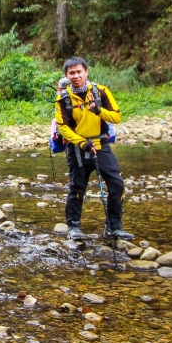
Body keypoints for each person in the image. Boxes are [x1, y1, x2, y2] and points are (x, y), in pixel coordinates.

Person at [53, 57, 132, 242]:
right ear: (66, 76)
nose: (76, 76)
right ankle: (74, 227)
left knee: (117, 184)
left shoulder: (101, 91)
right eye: (71, 73)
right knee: (77, 187)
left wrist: (99, 111)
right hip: (77, 148)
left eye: (79, 72)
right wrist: (82, 142)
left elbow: (116, 117)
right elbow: (63, 127)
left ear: (86, 72)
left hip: (101, 145)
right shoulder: (62, 98)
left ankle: (114, 227)